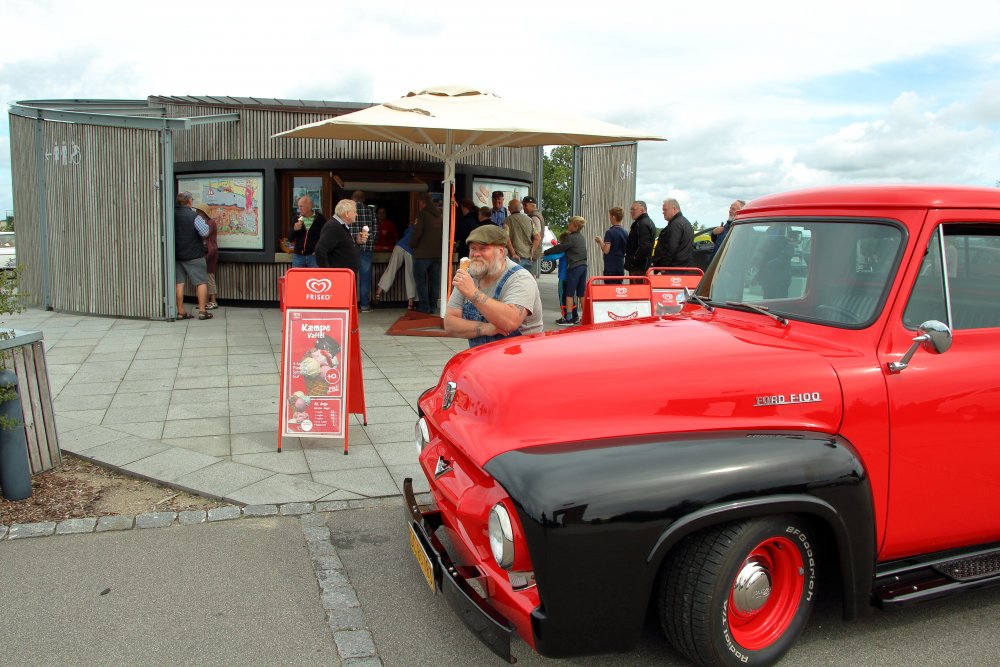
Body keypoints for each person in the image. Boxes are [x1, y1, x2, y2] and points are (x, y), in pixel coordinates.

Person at [445, 225, 543, 348]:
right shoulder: (468, 276)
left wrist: (473, 293)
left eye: (483, 249)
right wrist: (485, 328)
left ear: (501, 252)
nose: (476, 254)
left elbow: (510, 322)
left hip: (521, 354)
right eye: (473, 248)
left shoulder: (520, 278)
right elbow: (450, 323)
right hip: (482, 355)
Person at [174, 191, 211, 320]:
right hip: (194, 255)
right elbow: (205, 233)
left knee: (179, 283)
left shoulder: (172, 214)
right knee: (201, 282)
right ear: (189, 201)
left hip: (177, 255)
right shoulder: (195, 216)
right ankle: (202, 311)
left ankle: (180, 311)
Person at [544, 215, 588, 325]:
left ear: (575, 226)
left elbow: (559, 248)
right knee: (581, 293)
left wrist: (545, 252)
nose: (568, 225)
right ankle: (586, 317)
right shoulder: (581, 237)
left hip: (575, 267)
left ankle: (568, 318)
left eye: (570, 223)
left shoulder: (570, 238)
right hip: (583, 266)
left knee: (569, 294)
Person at [410, 194, 443, 315]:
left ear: (423, 202)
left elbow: (417, 232)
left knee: (421, 281)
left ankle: (424, 307)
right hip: (437, 254)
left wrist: (412, 244)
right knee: (434, 281)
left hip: (422, 254)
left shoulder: (422, 214)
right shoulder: (439, 215)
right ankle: (433, 306)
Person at [315, 198, 368, 271]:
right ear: (346, 213)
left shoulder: (340, 226)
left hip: (345, 275)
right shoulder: (333, 226)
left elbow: (342, 247)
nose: (356, 214)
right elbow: (320, 250)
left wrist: (357, 241)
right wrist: (328, 272)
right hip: (338, 275)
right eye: (354, 212)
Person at [375, 220, 416, 310]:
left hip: (399, 246)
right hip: (410, 250)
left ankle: (378, 292)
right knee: (410, 275)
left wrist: (411, 226)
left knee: (391, 269)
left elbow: (405, 233)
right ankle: (410, 304)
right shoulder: (423, 228)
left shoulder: (411, 227)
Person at [350, 191, 378, 312]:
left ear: (352, 198)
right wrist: (371, 242)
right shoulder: (370, 210)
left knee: (350, 277)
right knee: (365, 278)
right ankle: (365, 305)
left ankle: (350, 305)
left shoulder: (348, 211)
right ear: (363, 199)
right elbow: (375, 230)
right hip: (366, 248)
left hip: (351, 249)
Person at [651, 198, 694, 268]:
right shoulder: (686, 223)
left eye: (665, 210)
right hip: (683, 267)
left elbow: (671, 248)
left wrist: (663, 266)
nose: (663, 212)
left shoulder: (675, 225)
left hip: (673, 268)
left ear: (674, 209)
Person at [289, 195, 327, 268]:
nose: (299, 208)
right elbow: (290, 239)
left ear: (309, 207)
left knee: (314, 276)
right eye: (298, 206)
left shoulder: (320, 219)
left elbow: (325, 238)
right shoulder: (296, 219)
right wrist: (294, 230)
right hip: (298, 256)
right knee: (297, 276)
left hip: (314, 257)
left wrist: (318, 250)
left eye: (301, 206)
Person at [194, 204, 219, 310]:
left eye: (199, 211)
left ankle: (213, 301)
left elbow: (206, 234)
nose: (197, 213)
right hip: (203, 252)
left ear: (203, 212)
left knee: (209, 277)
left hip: (210, 252)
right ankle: (204, 301)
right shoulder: (202, 222)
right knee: (202, 278)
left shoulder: (210, 223)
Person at [596, 206, 628, 283]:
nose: (610, 218)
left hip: (610, 267)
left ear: (613, 217)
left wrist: (600, 242)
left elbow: (606, 250)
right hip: (620, 266)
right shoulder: (625, 232)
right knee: (617, 289)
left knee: (609, 289)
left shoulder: (609, 232)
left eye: (610, 216)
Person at [624, 201, 656, 275]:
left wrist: (633, 260)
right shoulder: (644, 222)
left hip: (638, 268)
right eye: (631, 209)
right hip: (639, 266)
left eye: (633, 209)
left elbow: (644, 246)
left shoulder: (642, 224)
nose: (631, 212)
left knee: (637, 283)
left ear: (642, 210)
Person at [502, 198, 534, 271]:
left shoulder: (507, 220)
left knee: (515, 276)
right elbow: (537, 237)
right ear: (521, 208)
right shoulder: (529, 220)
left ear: (509, 208)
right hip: (528, 256)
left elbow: (506, 237)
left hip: (515, 258)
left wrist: (513, 253)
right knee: (526, 276)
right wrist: (532, 252)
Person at [523, 195, 544, 278]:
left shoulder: (534, 217)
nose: (523, 207)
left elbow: (537, 236)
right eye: (523, 205)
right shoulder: (535, 215)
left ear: (533, 205)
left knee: (530, 276)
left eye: (525, 205)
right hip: (534, 249)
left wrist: (532, 252)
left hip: (532, 250)